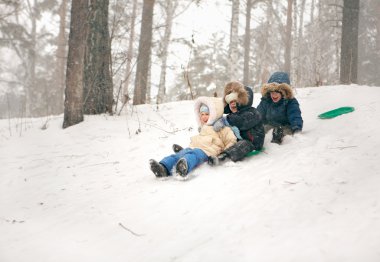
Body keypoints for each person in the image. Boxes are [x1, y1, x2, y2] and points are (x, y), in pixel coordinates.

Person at [149, 96, 237, 178]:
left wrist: (223, 155)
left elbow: (231, 141)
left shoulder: (223, 128)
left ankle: (183, 168)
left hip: (207, 152)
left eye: (207, 114)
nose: (204, 117)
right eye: (202, 114)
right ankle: (163, 167)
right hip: (194, 147)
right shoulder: (203, 127)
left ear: (215, 114)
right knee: (179, 155)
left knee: (193, 156)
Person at [210, 81, 265, 164]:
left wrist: (225, 120)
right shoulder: (231, 115)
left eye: (235, 102)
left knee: (243, 145)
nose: (232, 105)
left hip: (252, 142)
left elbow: (241, 121)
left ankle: (224, 156)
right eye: (230, 102)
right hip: (237, 139)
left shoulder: (253, 112)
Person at [257, 71, 303, 144]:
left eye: (277, 92)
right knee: (260, 131)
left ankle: (275, 144)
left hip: (286, 126)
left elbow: (295, 115)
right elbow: (258, 114)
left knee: (279, 131)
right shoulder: (266, 101)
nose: (274, 95)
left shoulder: (290, 102)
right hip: (270, 125)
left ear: (283, 92)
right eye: (272, 92)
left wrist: (297, 128)